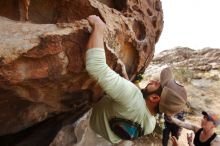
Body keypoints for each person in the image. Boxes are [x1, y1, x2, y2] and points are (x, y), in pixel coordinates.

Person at [85, 15, 187, 144]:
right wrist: (127, 82)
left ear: (155, 98)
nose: (153, 81)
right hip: (107, 135)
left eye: (157, 84)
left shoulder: (131, 95)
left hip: (93, 120)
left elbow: (95, 67)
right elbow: (134, 106)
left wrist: (98, 27)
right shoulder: (150, 124)